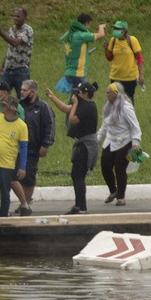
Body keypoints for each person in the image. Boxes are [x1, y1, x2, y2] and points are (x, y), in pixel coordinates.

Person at [45, 81, 99, 216]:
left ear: (86, 94)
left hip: (86, 145)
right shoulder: (81, 105)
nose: (76, 95)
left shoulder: (89, 107)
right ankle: (78, 205)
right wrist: (52, 97)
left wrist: (75, 104)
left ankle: (82, 206)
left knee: (79, 176)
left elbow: (72, 119)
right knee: (75, 175)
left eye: (78, 93)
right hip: (81, 143)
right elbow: (65, 108)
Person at [97, 83, 142, 209]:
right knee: (105, 165)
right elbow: (104, 126)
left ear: (116, 94)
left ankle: (121, 197)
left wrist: (135, 143)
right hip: (111, 140)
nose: (107, 94)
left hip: (124, 141)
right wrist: (98, 138)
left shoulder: (126, 108)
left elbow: (135, 126)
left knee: (120, 168)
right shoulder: (108, 108)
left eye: (109, 92)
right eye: (106, 91)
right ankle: (113, 190)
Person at [18, 80, 55, 204]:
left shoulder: (43, 107)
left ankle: (26, 203)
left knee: (28, 178)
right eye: (21, 89)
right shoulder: (18, 105)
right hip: (16, 148)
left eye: (24, 90)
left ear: (32, 92)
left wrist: (46, 145)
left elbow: (50, 126)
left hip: (33, 149)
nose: (21, 92)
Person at [0, 7, 34, 92]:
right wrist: (2, 66)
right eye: (14, 16)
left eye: (18, 16)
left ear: (25, 18)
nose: (15, 18)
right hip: (8, 69)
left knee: (23, 97)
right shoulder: (12, 29)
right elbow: (10, 50)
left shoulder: (28, 30)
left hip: (21, 70)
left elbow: (15, 43)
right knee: (1, 94)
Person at [62, 14, 106, 90]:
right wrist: (101, 27)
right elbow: (101, 34)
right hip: (78, 73)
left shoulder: (70, 35)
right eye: (89, 24)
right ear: (86, 23)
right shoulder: (81, 36)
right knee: (84, 96)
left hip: (69, 72)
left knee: (75, 97)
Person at [104, 21, 145, 99]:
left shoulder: (132, 40)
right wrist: (106, 49)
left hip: (129, 78)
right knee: (114, 101)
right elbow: (110, 58)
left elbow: (139, 58)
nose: (115, 30)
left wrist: (141, 75)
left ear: (124, 30)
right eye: (115, 28)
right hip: (115, 76)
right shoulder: (113, 40)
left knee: (128, 101)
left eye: (118, 29)